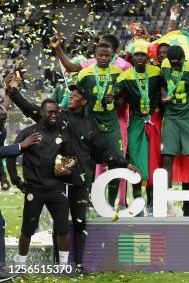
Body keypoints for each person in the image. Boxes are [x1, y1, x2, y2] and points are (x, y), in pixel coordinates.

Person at [5, 75, 137, 271]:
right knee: (60, 224)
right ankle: (60, 264)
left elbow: (103, 151)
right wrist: (14, 91)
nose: (71, 96)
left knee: (79, 221)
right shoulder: (58, 116)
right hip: (57, 180)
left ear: (84, 102)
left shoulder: (89, 124)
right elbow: (32, 109)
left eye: (76, 95)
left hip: (79, 180)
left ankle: (79, 264)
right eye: (71, 93)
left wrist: (125, 164)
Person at [7, 100, 70, 265]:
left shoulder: (63, 133)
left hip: (57, 189)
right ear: (41, 113)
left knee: (63, 228)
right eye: (50, 112)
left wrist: (66, 169)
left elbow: (70, 158)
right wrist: (16, 179)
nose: (54, 115)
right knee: (27, 230)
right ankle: (20, 264)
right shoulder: (29, 133)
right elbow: (12, 154)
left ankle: (63, 266)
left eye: (56, 112)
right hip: (34, 189)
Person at [114, 40, 163, 215]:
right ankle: (137, 202)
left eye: (143, 54)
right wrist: (115, 96)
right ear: (133, 58)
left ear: (148, 57)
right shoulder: (126, 76)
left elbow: (168, 84)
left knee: (154, 161)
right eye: (137, 55)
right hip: (136, 120)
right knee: (134, 159)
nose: (140, 58)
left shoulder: (157, 72)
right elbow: (115, 90)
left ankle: (152, 202)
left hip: (154, 119)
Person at [75, 41, 124, 207]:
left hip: (111, 126)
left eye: (107, 55)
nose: (103, 58)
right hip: (91, 125)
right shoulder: (85, 74)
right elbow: (74, 97)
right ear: (94, 55)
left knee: (116, 163)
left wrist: (117, 97)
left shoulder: (119, 73)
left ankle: (110, 204)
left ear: (112, 56)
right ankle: (87, 202)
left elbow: (125, 96)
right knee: (88, 164)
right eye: (100, 55)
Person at [160, 45, 189, 216]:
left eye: (178, 64)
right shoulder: (165, 64)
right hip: (171, 116)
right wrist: (164, 94)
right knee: (167, 157)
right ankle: (166, 202)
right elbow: (163, 84)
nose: (175, 66)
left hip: (188, 115)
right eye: (173, 64)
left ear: (184, 59)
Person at [0, 113, 40, 279]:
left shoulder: (1, 131)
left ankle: (1, 267)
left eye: (4, 116)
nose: (3, 115)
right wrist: (21, 146)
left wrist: (2, 175)